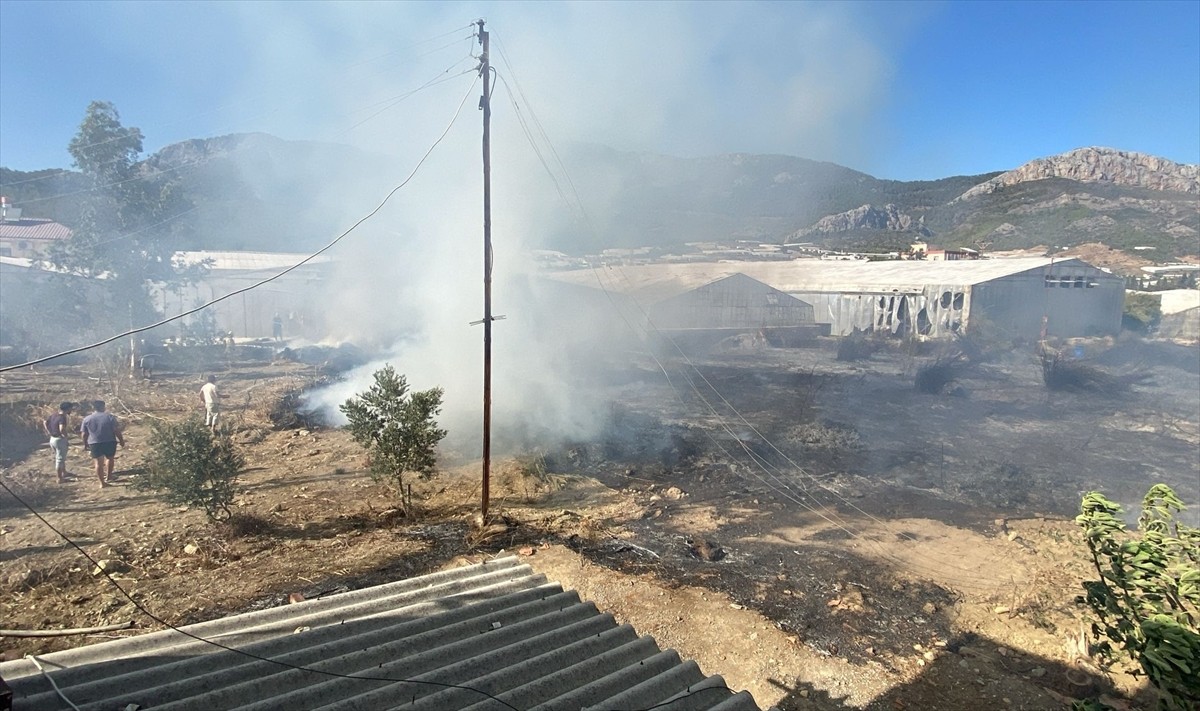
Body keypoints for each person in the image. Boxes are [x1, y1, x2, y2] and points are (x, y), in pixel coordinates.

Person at [80, 400, 125, 488]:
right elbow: (116, 430)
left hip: (94, 442)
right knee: (110, 458)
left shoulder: (87, 419)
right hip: (109, 441)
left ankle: (102, 483)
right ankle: (109, 476)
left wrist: (85, 444)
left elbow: (84, 434)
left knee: (98, 463)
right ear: (103, 407)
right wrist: (121, 440)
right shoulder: (109, 417)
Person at [44, 402, 75, 483]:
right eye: (71, 408)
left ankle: (64, 472)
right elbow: (61, 429)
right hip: (59, 440)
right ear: (67, 409)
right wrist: (65, 437)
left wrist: (49, 432)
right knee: (60, 459)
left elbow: (45, 422)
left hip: (52, 439)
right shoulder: (62, 417)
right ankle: (59, 478)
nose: (71, 410)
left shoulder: (54, 415)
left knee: (60, 457)